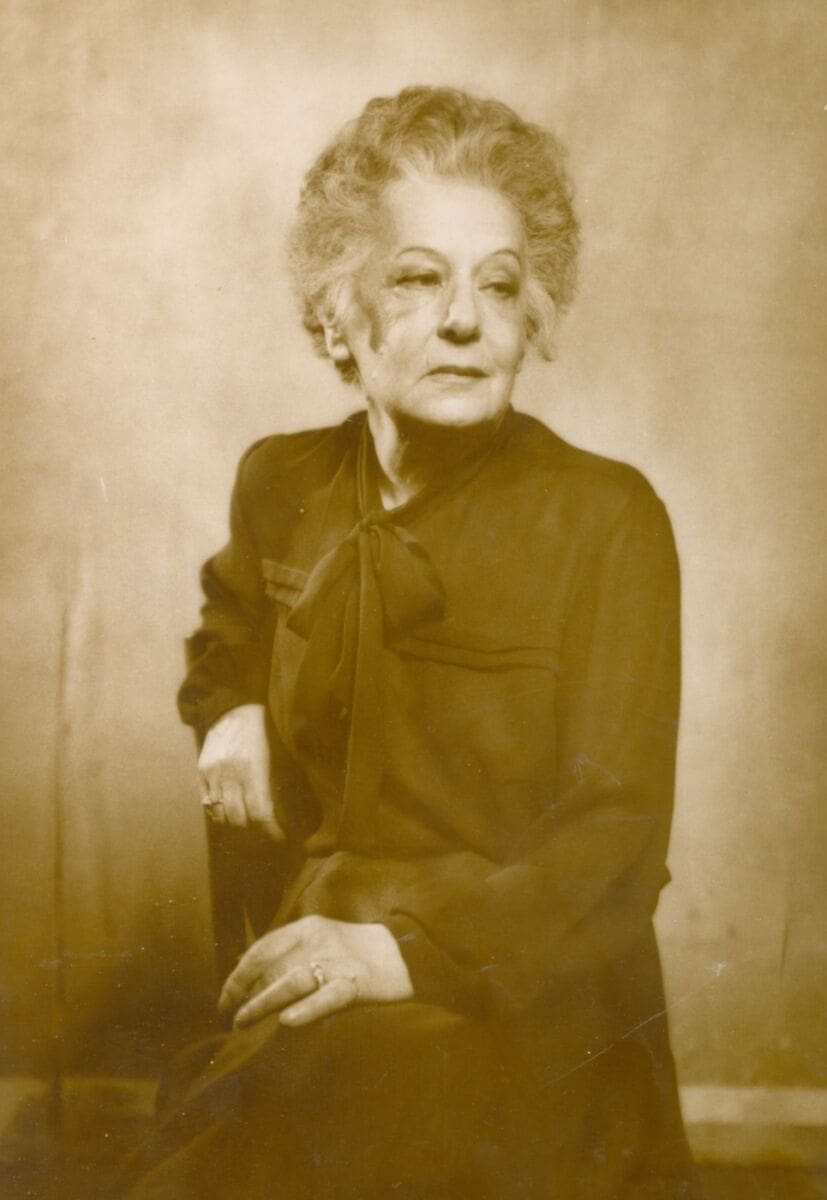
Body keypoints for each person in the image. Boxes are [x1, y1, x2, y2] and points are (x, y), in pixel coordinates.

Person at [122, 86, 703, 1199]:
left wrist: (396, 953)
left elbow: (617, 840)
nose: (465, 321)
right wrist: (229, 710)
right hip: (320, 954)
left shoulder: (606, 519)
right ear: (336, 316)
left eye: (499, 284)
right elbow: (229, 628)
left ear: (532, 315)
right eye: (418, 278)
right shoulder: (281, 482)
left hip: (524, 996)